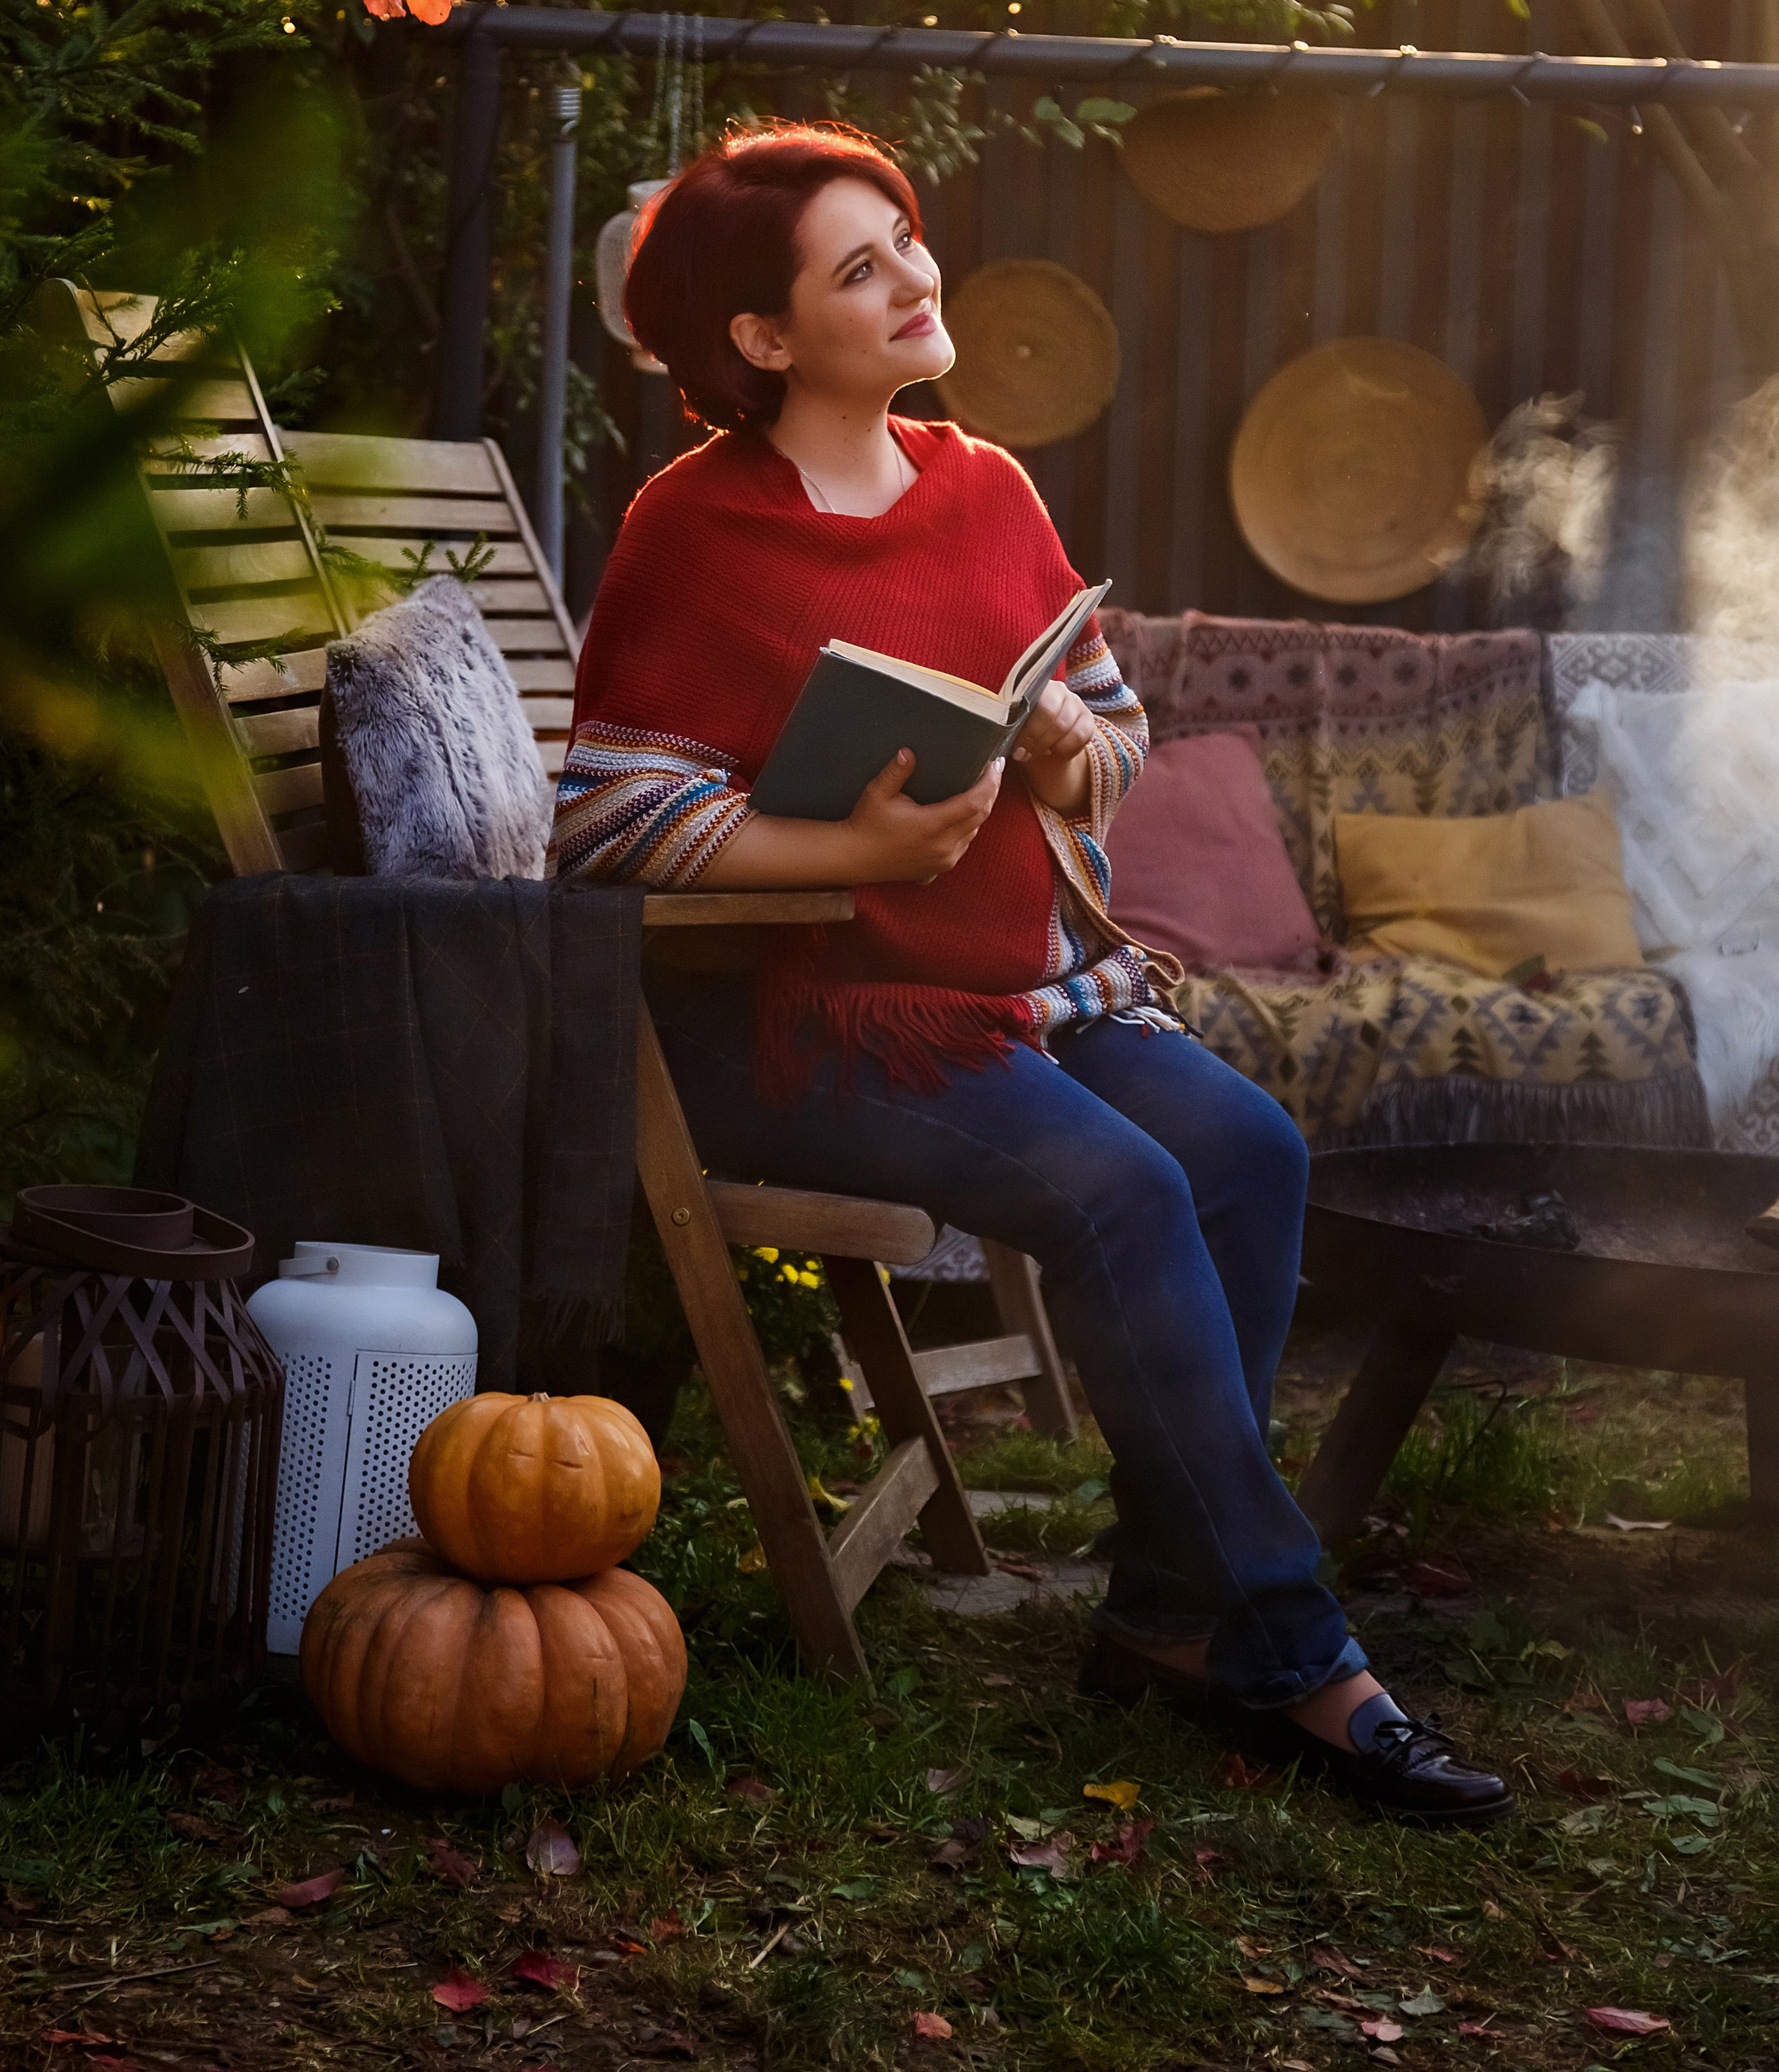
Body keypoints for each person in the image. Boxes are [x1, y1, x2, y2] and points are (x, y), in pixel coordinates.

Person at [555, 121, 1510, 1829]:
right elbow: (614, 809)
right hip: (796, 1023)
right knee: (1128, 1191)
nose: (917, 276)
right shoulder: (688, 525)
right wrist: (859, 857)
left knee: (1248, 1152)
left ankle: (1158, 1618)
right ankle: (1294, 1653)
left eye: (907, 238)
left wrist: (1074, 748)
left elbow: (1111, 720)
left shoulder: (982, 483)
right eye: (860, 266)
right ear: (760, 338)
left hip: (1010, 994)